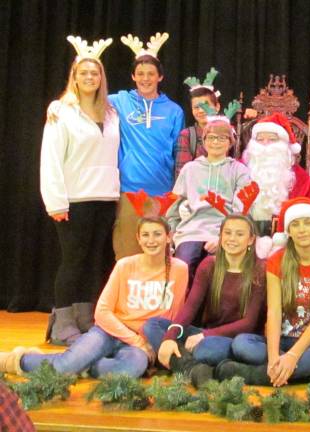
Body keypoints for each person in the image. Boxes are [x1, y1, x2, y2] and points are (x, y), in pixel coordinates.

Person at [0, 217, 188, 378]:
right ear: (138, 238)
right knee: (64, 367)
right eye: (145, 235)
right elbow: (102, 311)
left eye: (157, 234)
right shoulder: (125, 265)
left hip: (141, 342)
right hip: (110, 331)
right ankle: (13, 360)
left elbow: (174, 315)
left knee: (131, 369)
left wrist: (150, 344)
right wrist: (135, 339)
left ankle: (82, 365)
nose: (151, 240)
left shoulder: (180, 269)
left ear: (168, 237)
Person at [217, 198, 310, 386]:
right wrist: (274, 357)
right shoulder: (276, 261)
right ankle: (308, 373)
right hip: (279, 342)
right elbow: (273, 312)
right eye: (295, 224)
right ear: (288, 231)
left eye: (307, 223)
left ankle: (258, 375)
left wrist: (293, 356)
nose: (302, 229)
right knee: (242, 344)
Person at [40, 35, 119, 345]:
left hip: (105, 198)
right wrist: (55, 202)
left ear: (101, 78)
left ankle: (86, 318)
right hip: (74, 200)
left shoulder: (111, 114)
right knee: (73, 261)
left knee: (95, 261)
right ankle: (61, 323)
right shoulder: (61, 112)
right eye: (83, 73)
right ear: (74, 77)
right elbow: (50, 159)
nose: (90, 77)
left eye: (95, 73)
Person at [143, 214, 266, 387]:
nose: (232, 238)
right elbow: (190, 308)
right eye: (228, 233)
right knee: (152, 325)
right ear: (221, 236)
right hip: (203, 333)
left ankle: (186, 364)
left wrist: (205, 335)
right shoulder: (209, 265)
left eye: (239, 234)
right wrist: (170, 337)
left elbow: (249, 323)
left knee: (205, 350)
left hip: (234, 339)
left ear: (251, 239)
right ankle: (193, 369)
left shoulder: (260, 269)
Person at [111, 33, 185, 259]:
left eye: (151, 74)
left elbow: (178, 153)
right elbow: (86, 97)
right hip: (129, 191)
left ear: (160, 77)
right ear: (133, 76)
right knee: (126, 252)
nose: (145, 78)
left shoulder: (174, 111)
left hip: (162, 193)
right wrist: (58, 105)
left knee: (160, 255)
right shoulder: (119, 101)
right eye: (140, 74)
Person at [166, 108, 251, 286]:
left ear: (230, 142)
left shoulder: (239, 171)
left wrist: (223, 236)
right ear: (204, 141)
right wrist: (172, 236)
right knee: (184, 267)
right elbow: (175, 205)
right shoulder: (190, 169)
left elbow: (240, 210)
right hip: (191, 230)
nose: (216, 142)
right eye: (211, 137)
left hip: (225, 232)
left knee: (217, 274)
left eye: (222, 138)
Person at [242, 113, 310, 257]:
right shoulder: (240, 170)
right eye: (260, 139)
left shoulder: (299, 176)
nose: (265, 144)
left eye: (272, 140)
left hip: (286, 239)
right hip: (244, 237)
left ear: (284, 146)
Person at [174, 68, 221, 180]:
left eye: (205, 106)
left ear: (217, 106)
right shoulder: (187, 136)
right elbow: (182, 175)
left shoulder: (229, 132)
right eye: (196, 107)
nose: (200, 110)